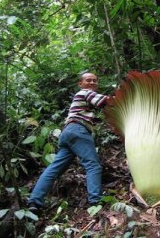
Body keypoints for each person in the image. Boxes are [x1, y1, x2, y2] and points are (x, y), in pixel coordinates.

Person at [28, 72, 108, 211]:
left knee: (54, 169)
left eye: (95, 80)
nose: (92, 83)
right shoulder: (85, 92)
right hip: (78, 130)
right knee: (93, 165)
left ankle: (34, 201)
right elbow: (105, 101)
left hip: (67, 133)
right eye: (88, 80)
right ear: (80, 84)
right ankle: (96, 201)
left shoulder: (83, 96)